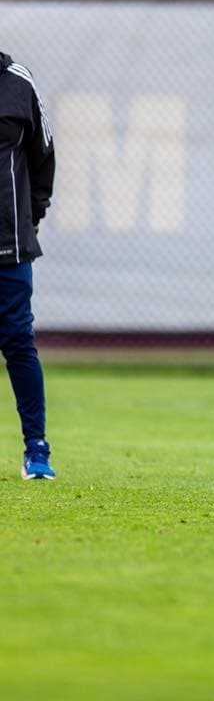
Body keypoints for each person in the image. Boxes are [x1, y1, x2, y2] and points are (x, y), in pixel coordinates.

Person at [1, 50, 56, 480]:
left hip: (9, 245)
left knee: (18, 341)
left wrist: (30, 216)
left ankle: (36, 450)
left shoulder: (19, 82)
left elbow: (44, 156)